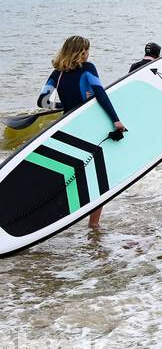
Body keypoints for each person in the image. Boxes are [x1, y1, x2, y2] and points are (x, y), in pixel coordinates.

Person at [39, 36, 127, 229]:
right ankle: (93, 224)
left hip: (67, 125)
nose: (88, 53)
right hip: (89, 124)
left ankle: (58, 216)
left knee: (72, 172)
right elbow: (101, 94)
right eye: (87, 50)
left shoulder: (57, 73)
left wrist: (63, 104)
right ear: (81, 51)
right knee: (99, 174)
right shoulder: (88, 68)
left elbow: (42, 101)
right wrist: (116, 120)